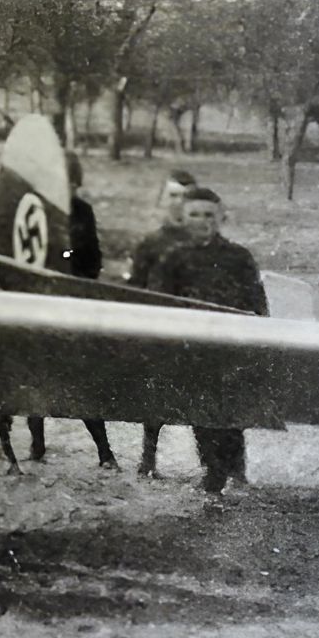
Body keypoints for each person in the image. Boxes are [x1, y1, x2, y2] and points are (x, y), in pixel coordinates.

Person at [148, 185, 268, 495]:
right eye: (195, 215)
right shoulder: (172, 258)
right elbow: (159, 304)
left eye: (210, 215)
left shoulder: (239, 257)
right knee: (202, 416)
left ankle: (237, 472)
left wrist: (258, 335)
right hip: (192, 350)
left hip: (232, 346)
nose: (203, 222)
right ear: (183, 218)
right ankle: (213, 475)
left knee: (232, 413)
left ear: (221, 218)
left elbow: (257, 302)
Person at [23, 154, 120, 469]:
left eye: (72, 185)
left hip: (72, 300)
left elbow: (92, 259)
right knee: (35, 375)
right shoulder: (30, 210)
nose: (67, 191)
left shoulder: (82, 212)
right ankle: (37, 445)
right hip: (37, 302)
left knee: (80, 379)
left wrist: (65, 254)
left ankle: (104, 452)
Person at [127, 168, 197, 477]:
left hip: (197, 329)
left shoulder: (205, 245)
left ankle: (219, 467)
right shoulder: (151, 243)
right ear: (162, 200)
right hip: (160, 327)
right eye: (172, 196)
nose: (178, 203)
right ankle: (148, 459)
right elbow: (135, 289)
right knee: (155, 397)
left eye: (185, 197)